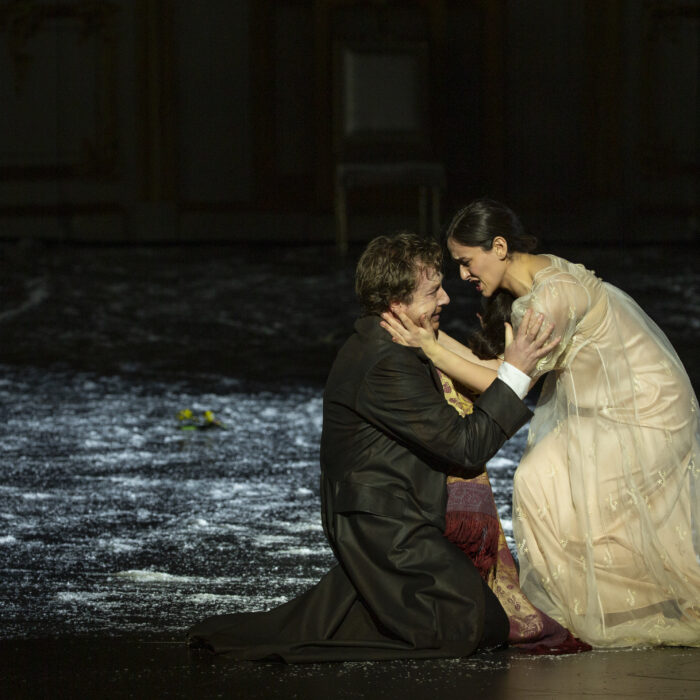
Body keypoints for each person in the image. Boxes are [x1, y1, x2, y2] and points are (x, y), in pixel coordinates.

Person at [187, 231, 558, 662]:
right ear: (397, 305)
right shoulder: (386, 362)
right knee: (473, 626)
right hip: (385, 526)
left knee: (471, 620)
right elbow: (466, 446)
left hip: (395, 513)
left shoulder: (397, 342)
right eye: (432, 292)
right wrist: (516, 371)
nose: (445, 299)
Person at [381, 199, 700, 648]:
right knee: (538, 477)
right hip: (601, 407)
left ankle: (629, 606)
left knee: (586, 498)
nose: (463, 275)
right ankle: (581, 606)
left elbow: (506, 384)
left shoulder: (550, 298)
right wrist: (430, 336)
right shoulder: (530, 286)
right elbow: (502, 371)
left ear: (498, 247)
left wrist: (431, 349)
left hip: (645, 407)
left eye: (466, 262)